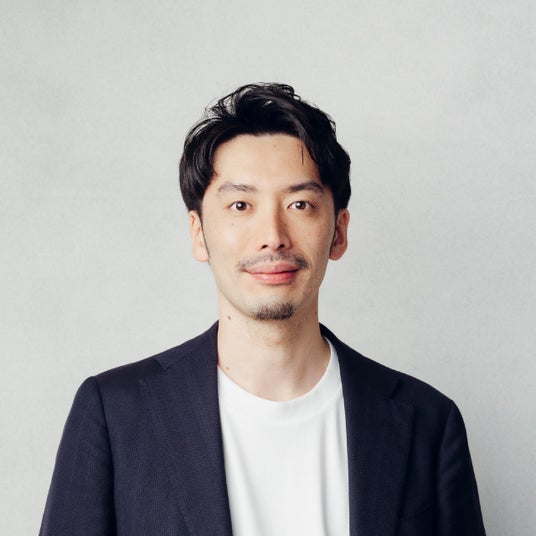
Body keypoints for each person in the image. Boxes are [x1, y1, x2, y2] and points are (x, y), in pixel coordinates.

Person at [40, 83, 486, 536]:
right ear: (198, 233)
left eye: (300, 204)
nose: (272, 235)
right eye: (240, 205)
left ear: (338, 232)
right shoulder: (114, 414)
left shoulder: (428, 421)